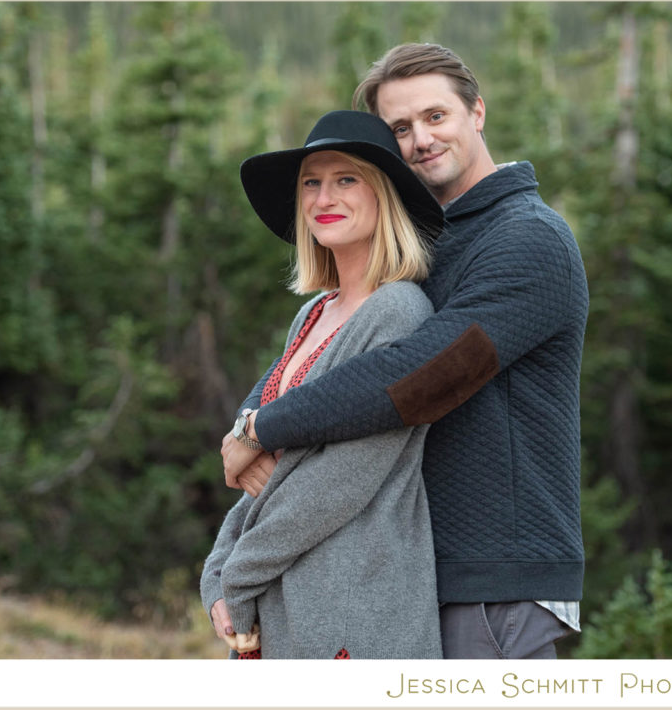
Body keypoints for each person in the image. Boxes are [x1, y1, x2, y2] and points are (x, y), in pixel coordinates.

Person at [222, 43, 589, 660]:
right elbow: (326, 351)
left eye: (435, 116)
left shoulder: (528, 239)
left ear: (477, 111)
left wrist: (262, 428)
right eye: (400, 127)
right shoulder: (426, 243)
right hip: (407, 572)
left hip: (491, 576)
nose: (421, 139)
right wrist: (246, 421)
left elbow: (421, 377)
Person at [200, 110, 446, 659]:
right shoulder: (314, 313)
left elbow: (339, 481)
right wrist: (217, 573)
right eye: (311, 182)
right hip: (285, 595)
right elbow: (274, 475)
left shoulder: (400, 311)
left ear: (384, 194)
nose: (323, 197)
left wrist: (238, 576)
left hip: (355, 606)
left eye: (346, 179)